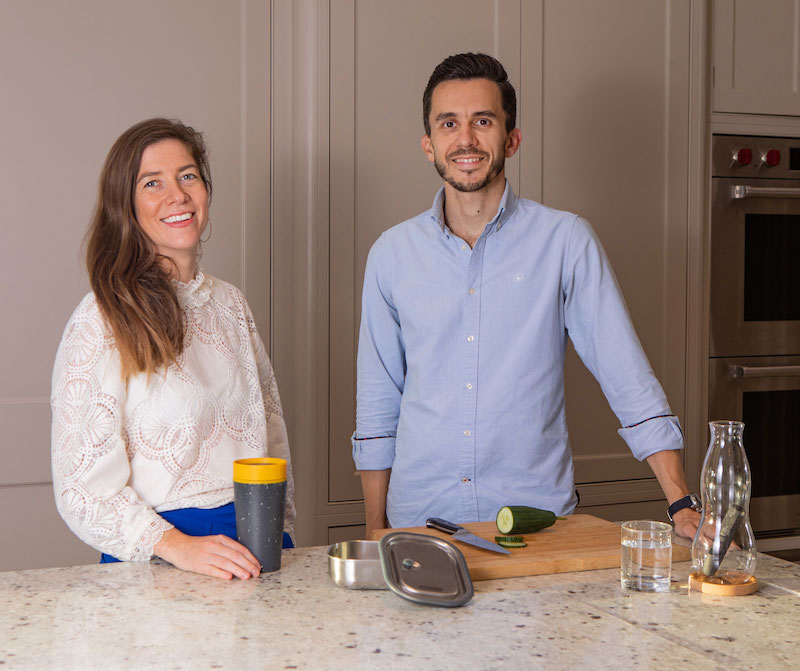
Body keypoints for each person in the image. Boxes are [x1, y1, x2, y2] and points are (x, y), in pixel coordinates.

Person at [352, 53, 701, 541]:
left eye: (483, 121)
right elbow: (378, 403)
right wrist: (374, 526)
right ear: (429, 145)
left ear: (511, 139)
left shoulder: (566, 242)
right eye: (449, 123)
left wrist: (681, 503)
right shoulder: (391, 255)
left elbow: (627, 376)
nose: (466, 139)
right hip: (420, 521)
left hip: (537, 523)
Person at [51, 118, 295, 580]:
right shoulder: (101, 318)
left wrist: (280, 533)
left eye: (188, 175)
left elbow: (270, 428)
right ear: (125, 205)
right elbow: (82, 490)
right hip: (162, 560)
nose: (177, 195)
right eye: (152, 183)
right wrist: (179, 548)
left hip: (256, 549)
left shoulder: (229, 303)